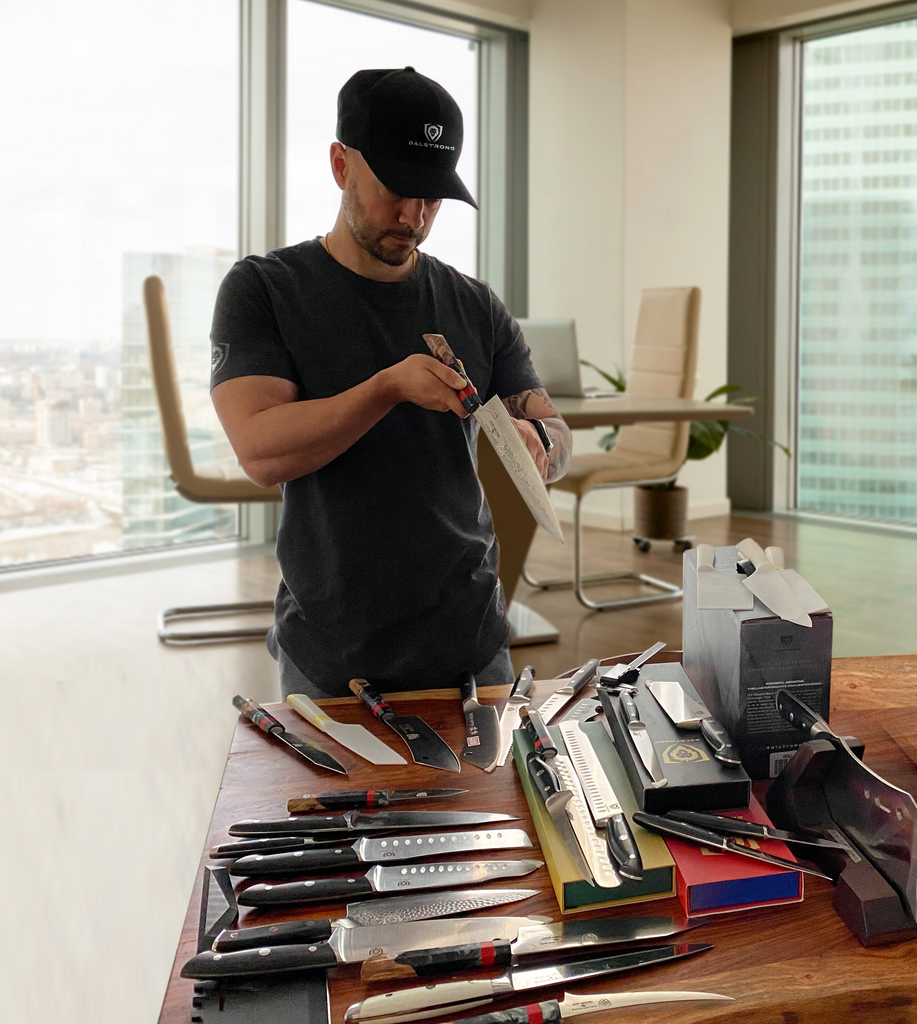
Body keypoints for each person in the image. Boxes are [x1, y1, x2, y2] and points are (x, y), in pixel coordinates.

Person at [210, 66, 571, 699]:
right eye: (396, 189)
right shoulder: (265, 289)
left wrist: (540, 439)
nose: (414, 215)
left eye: (433, 196)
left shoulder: (474, 305)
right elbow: (260, 451)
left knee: (493, 802)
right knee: (342, 804)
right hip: (335, 650)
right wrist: (386, 389)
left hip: (472, 643)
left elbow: (555, 428)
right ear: (340, 164)